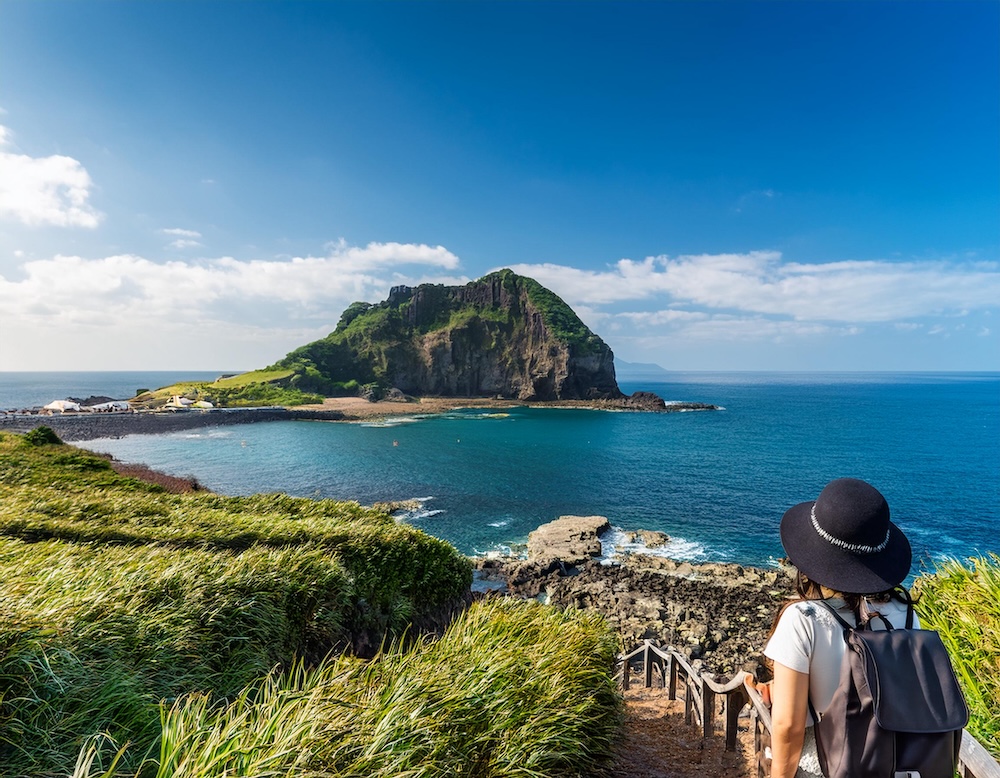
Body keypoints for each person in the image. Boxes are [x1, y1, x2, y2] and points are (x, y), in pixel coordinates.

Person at [758, 477, 916, 778]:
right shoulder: (906, 615)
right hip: (893, 767)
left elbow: (788, 726)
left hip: (826, 768)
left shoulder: (804, 618)